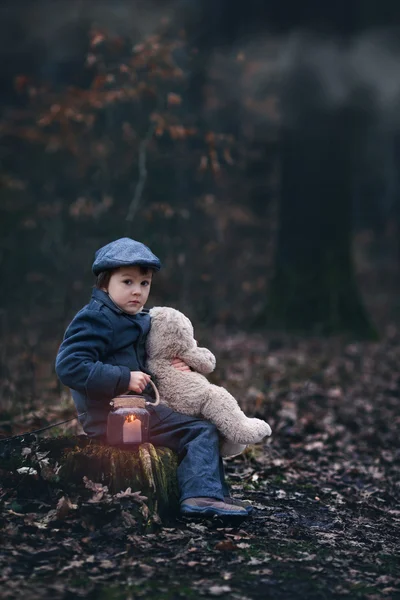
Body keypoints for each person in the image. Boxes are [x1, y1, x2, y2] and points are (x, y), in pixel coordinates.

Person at [55, 237, 250, 518]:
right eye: (127, 282)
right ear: (103, 284)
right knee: (199, 431)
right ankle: (201, 497)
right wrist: (124, 378)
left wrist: (178, 365)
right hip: (113, 418)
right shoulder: (96, 318)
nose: (137, 292)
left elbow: (152, 357)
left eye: (144, 284)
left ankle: (217, 494)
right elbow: (70, 366)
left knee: (208, 421)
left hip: (138, 410)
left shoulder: (132, 318)